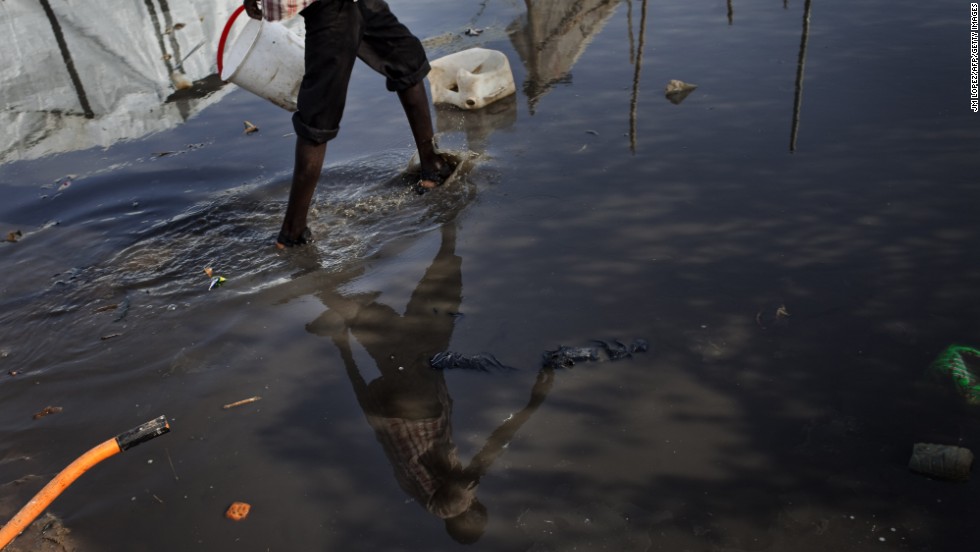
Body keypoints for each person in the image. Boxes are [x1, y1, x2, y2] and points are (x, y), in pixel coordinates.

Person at [243, 0, 453, 248]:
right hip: (332, 9)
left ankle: (431, 165)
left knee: (406, 59)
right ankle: (292, 230)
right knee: (319, 117)